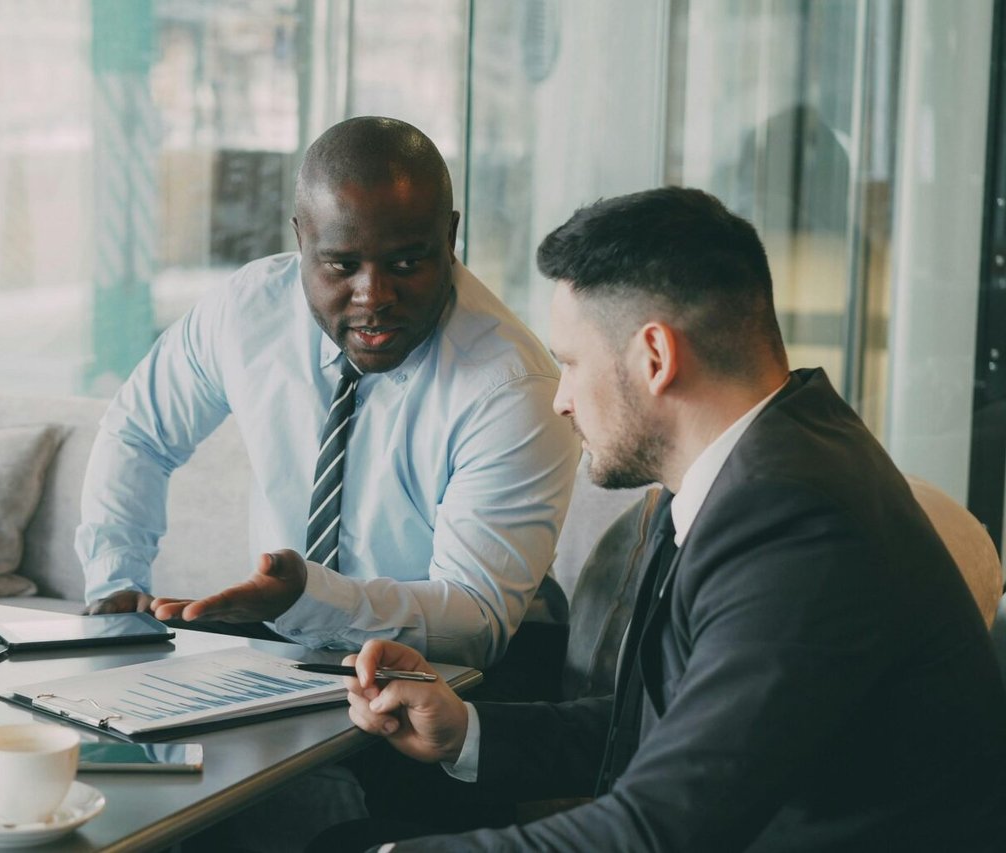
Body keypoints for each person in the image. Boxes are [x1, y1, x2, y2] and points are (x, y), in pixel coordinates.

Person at [333, 186, 1006, 851]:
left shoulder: (799, 521)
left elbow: (661, 828)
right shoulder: (742, 471)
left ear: (655, 357)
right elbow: (664, 734)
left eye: (569, 363)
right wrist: (466, 729)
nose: (561, 399)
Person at [76, 116, 579, 668]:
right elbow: (140, 431)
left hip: (464, 680)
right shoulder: (248, 312)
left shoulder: (512, 387)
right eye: (341, 265)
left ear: (450, 236)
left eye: (406, 263)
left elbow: (475, 621)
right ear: (300, 239)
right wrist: (115, 582)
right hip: (287, 642)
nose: (374, 297)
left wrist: (310, 599)